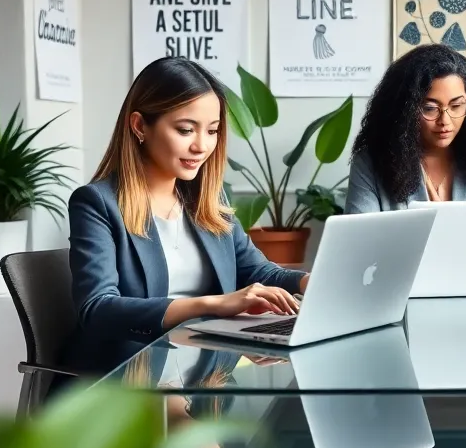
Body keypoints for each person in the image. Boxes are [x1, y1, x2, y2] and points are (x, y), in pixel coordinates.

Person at [64, 57, 310, 377]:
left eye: (212, 131)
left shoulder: (207, 201)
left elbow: (258, 271)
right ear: (139, 126)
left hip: (204, 371)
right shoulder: (97, 203)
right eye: (185, 130)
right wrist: (212, 304)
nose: (202, 146)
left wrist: (309, 282)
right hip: (130, 377)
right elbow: (97, 308)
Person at [345, 44, 466, 212]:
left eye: (456, 106)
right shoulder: (370, 163)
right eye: (430, 108)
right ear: (404, 111)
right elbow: (358, 237)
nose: (445, 120)